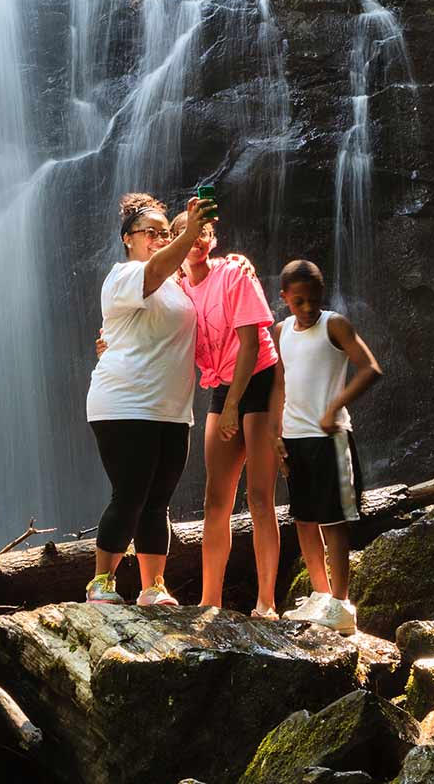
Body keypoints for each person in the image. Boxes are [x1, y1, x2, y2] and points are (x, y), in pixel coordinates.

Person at [83, 191, 214, 607]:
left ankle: (152, 587)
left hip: (172, 409)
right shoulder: (125, 275)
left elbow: (206, 288)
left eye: (165, 232)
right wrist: (187, 233)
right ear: (129, 238)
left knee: (158, 501)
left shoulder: (178, 287)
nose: (159, 238)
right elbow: (158, 269)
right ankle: (101, 582)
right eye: (150, 232)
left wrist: (231, 262)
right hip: (124, 402)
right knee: (131, 493)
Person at [174, 213, 282, 617]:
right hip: (222, 385)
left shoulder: (235, 275)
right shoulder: (178, 289)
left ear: (213, 238)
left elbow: (252, 343)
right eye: (189, 233)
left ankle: (266, 602)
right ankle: (209, 600)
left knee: (259, 497)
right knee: (215, 500)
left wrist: (234, 405)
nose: (198, 240)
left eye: (204, 232)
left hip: (257, 379)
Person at [270, 259, 382, 635]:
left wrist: (334, 407)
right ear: (285, 297)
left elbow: (369, 368)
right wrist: (275, 434)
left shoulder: (334, 324)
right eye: (298, 301)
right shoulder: (281, 331)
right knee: (304, 518)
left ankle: (341, 603)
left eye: (313, 299)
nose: (307, 308)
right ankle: (319, 594)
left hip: (330, 438)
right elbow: (279, 385)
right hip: (295, 437)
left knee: (334, 521)